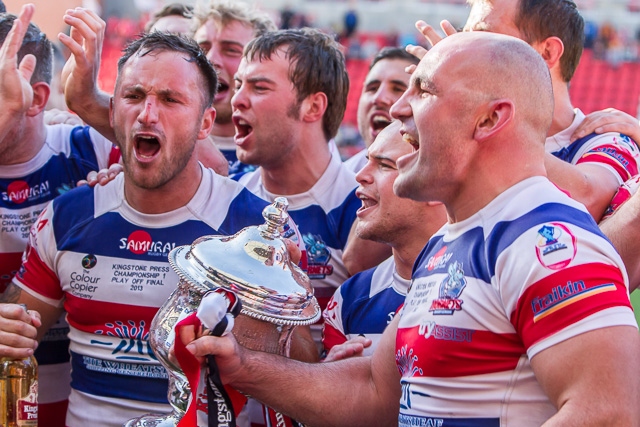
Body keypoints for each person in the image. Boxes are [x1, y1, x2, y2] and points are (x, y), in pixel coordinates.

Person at [184, 31, 640, 426]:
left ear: (490, 119)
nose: (399, 108)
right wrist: (243, 368)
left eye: (423, 90)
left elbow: (608, 413)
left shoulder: (549, 239)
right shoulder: (450, 241)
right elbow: (374, 391)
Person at [0, 28, 313, 427]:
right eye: (133, 96)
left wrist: (264, 318)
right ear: (112, 111)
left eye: (170, 100)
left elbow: (307, 371)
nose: (148, 113)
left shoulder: (257, 226)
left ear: (205, 123)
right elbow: (13, 334)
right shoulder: (65, 218)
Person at [411, 0, 640, 223]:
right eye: (466, 36)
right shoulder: (459, 135)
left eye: (485, 36)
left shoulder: (605, 138)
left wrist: (476, 124)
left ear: (548, 52)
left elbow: (587, 200)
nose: (467, 50)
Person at [0, 6, 119, 426]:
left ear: (37, 98)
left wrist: (91, 102)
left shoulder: (91, 147)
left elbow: (210, 172)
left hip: (80, 404)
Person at [230, 28, 362, 345]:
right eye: (238, 85)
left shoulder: (361, 208)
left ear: (313, 107)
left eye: (259, 87)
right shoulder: (228, 196)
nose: (236, 99)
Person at [322, 120, 447, 360]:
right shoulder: (349, 298)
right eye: (367, 160)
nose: (360, 175)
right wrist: (331, 376)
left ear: (435, 184)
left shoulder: (484, 283)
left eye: (384, 165)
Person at [59, 6, 228, 176]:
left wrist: (86, 99)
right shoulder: (111, 139)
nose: (147, 115)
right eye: (157, 44)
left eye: (186, 44)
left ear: (206, 122)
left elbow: (214, 166)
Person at [192, 0, 276, 173]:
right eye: (201, 49)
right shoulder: (161, 150)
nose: (211, 59)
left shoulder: (280, 161)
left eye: (231, 50)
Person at [345, 46, 419, 173]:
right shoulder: (344, 184)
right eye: (372, 88)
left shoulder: (445, 188)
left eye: (398, 89)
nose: (379, 98)